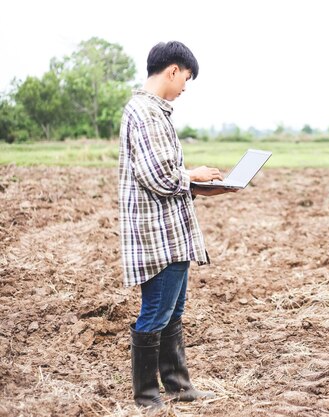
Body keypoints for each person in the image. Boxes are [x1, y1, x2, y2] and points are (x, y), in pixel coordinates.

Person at [118, 41, 235, 409]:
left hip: (171, 231)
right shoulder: (147, 113)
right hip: (159, 234)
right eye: (185, 77)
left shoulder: (152, 112)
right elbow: (159, 177)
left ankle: (178, 387)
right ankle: (147, 396)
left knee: (173, 311)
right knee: (156, 311)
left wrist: (201, 185)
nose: (185, 87)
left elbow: (166, 177)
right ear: (172, 71)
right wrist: (192, 175)